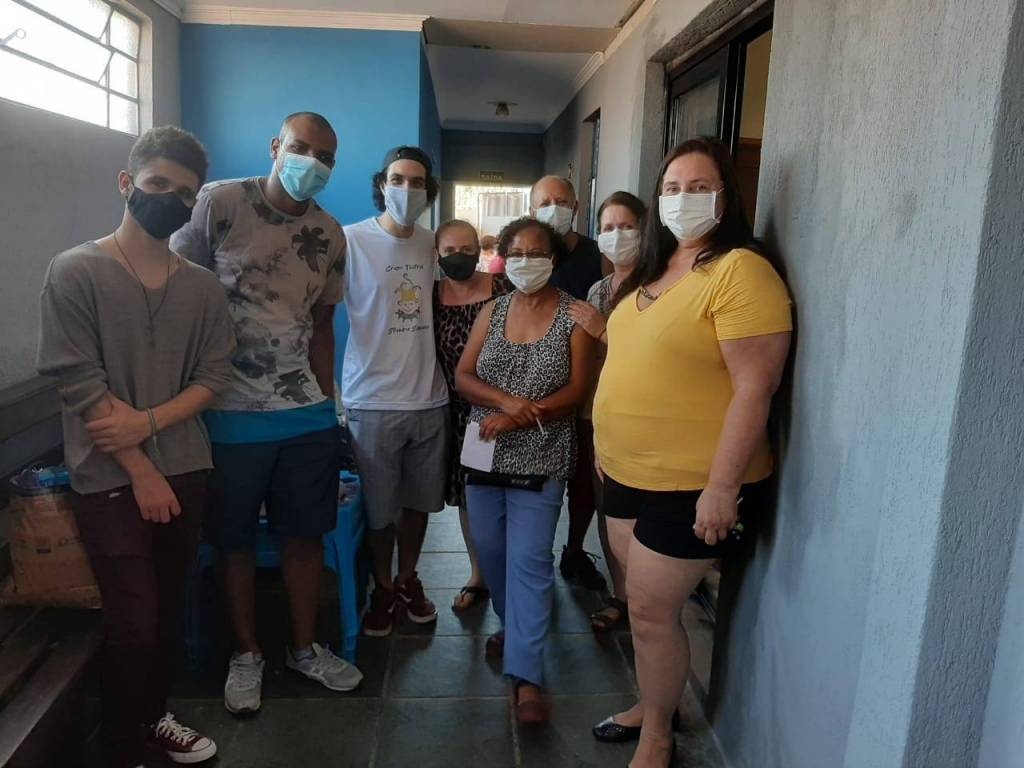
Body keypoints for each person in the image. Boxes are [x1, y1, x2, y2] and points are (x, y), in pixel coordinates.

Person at [591, 137, 792, 767]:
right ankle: (655, 703)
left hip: (693, 483)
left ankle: (658, 736)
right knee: (643, 609)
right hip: (625, 472)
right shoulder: (650, 272)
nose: (684, 199)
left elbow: (755, 388)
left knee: (652, 611)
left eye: (700, 187)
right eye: (672, 189)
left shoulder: (740, 271)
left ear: (726, 197)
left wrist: (722, 488)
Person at [37, 126, 235, 767]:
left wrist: (146, 424)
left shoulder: (202, 287)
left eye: (185, 194)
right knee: (134, 618)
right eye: (157, 185)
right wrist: (140, 469)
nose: (169, 200)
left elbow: (213, 377)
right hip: (107, 479)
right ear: (127, 183)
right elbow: (78, 381)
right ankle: (127, 743)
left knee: (169, 607)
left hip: (187, 469)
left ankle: (154, 717)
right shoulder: (75, 271)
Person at [171, 112, 363, 715]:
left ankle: (304, 648)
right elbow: (176, 290)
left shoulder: (330, 233)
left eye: (325, 157)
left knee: (305, 534)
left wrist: (329, 406)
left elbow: (323, 325)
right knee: (233, 540)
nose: (313, 162)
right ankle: (247, 653)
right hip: (227, 408)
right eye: (302, 148)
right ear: (276, 145)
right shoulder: (221, 203)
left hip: (304, 412)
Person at [455, 217, 594, 724]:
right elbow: (463, 376)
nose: (526, 262)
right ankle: (514, 628)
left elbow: (577, 389)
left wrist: (518, 416)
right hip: (485, 450)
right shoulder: (492, 311)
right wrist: (506, 402)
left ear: (553, 260)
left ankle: (527, 675)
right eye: (516, 254)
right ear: (504, 259)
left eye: (536, 254)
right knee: (492, 553)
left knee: (531, 560)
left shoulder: (575, 316)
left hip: (543, 453)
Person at [342, 146, 449, 637]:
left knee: (419, 505)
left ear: (430, 191)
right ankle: (382, 588)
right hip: (371, 400)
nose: (408, 189)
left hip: (429, 397)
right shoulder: (351, 241)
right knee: (380, 512)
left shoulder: (432, 244)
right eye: (398, 179)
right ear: (382, 184)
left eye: (418, 181)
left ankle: (408, 579)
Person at [567, 191, 647, 633]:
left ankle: (645, 600)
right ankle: (621, 595)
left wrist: (601, 331)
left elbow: (654, 357)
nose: (618, 236)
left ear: (645, 230)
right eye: (609, 228)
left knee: (641, 514)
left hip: (643, 418)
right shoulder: (598, 290)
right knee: (606, 508)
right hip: (596, 415)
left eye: (627, 226)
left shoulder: (660, 286)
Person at [529, 175, 607, 592]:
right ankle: (532, 557)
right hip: (537, 389)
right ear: (531, 209)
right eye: (544, 202)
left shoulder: (598, 256)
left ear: (576, 208)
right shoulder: (529, 255)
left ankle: (574, 551)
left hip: (587, 390)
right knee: (538, 483)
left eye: (561, 202)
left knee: (583, 484)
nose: (553, 209)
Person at [432, 220, 512, 611]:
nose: (458, 256)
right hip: (457, 413)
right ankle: (479, 573)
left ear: (478, 251)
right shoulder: (430, 296)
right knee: (470, 497)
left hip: (503, 408)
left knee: (511, 492)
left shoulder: (503, 288)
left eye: (466, 249)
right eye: (449, 250)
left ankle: (514, 570)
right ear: (437, 253)